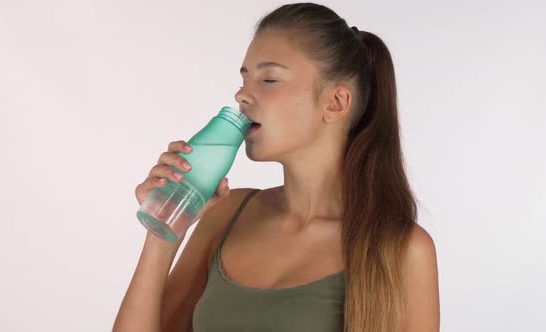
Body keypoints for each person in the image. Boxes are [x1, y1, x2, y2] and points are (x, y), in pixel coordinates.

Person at [113, 3, 439, 332]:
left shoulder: (403, 251)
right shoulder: (224, 215)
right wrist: (166, 226)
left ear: (335, 102)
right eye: (244, 79)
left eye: (269, 79)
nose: (242, 94)